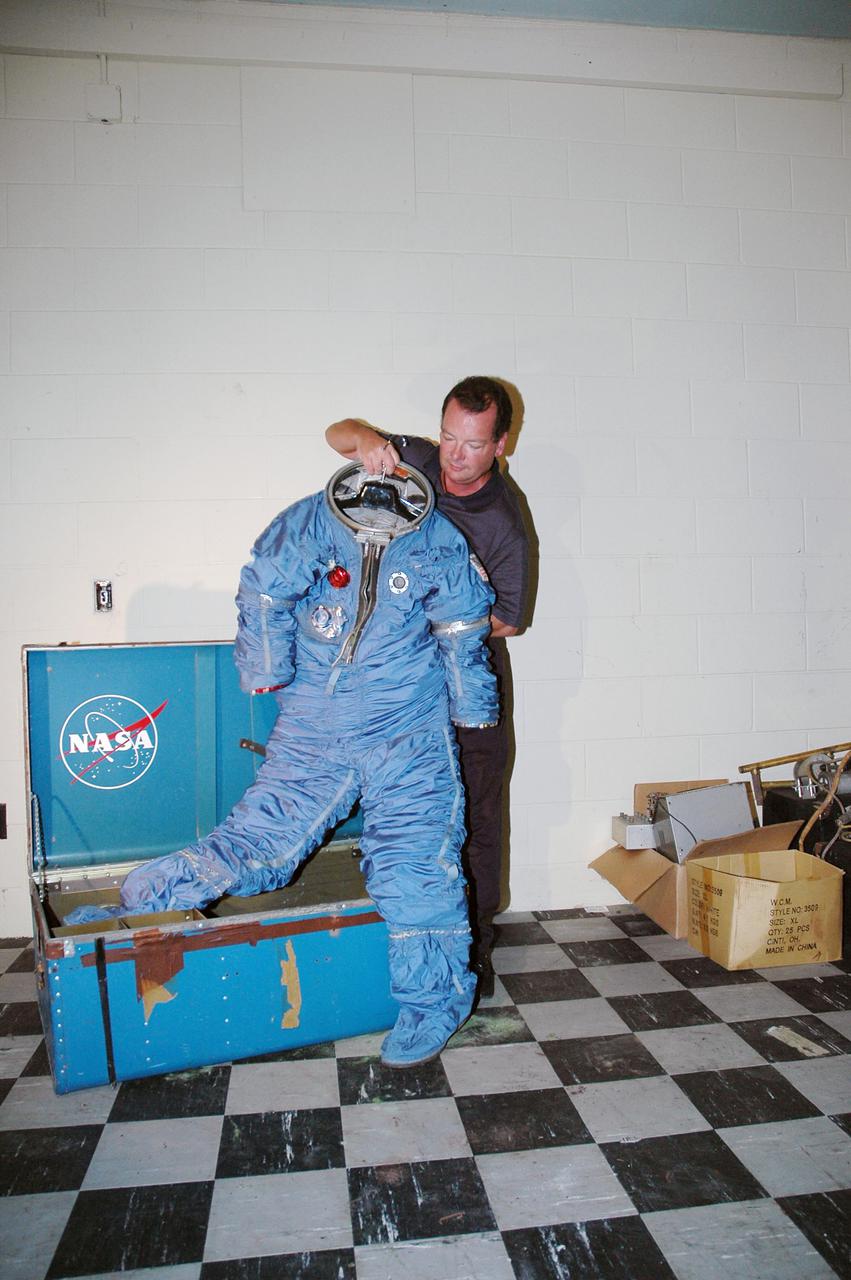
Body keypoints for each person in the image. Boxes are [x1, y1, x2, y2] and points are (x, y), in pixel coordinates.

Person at [70, 462, 499, 1069]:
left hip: (408, 730)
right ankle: (142, 901)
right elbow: (265, 588)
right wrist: (265, 667)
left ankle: (434, 1005)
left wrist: (471, 706)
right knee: (258, 844)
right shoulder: (310, 522)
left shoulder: (437, 537)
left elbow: (462, 626)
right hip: (317, 725)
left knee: (416, 866)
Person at [326, 375, 529, 996]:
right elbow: (337, 435)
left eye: (471, 444)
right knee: (395, 810)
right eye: (446, 437)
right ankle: (398, 936)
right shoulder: (414, 460)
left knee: (476, 817)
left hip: (468, 690)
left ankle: (475, 950)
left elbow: (510, 621)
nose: (453, 456)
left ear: (500, 446)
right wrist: (366, 442)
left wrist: (424, 623)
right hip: (398, 684)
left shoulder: (504, 524)